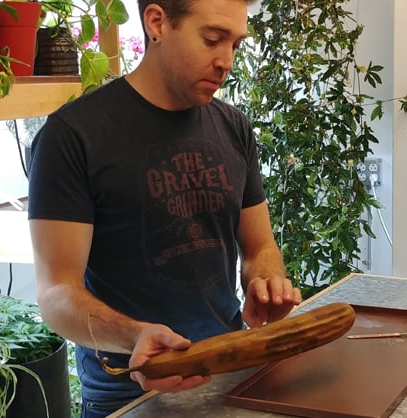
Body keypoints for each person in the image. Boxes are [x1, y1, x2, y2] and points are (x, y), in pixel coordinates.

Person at [27, 0, 302, 416]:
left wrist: (267, 279)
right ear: (157, 23)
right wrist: (134, 335)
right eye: (212, 39)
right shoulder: (72, 136)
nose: (226, 61)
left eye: (234, 44)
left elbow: (260, 245)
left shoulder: (233, 127)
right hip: (130, 394)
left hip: (228, 371)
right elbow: (56, 293)